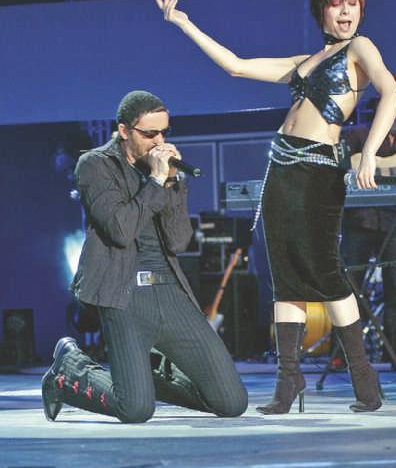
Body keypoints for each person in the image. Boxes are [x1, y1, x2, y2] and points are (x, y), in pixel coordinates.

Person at [154, 0, 396, 414]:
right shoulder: (306, 60)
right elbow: (236, 65)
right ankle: (289, 379)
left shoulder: (360, 48)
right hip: (281, 169)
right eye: (338, 3)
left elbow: (392, 95)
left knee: (325, 272)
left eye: (353, 3)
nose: (346, 11)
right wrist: (183, 24)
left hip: (318, 169)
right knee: (286, 276)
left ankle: (364, 377)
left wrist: (368, 152)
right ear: (321, 10)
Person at [41, 90, 248, 424]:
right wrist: (155, 180)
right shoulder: (95, 165)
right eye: (150, 133)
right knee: (135, 409)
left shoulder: (166, 173)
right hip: (123, 293)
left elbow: (178, 241)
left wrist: (173, 184)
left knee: (231, 402)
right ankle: (69, 370)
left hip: (169, 290)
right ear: (124, 131)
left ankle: (147, 370)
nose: (159, 141)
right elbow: (120, 230)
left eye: (164, 132)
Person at [342, 75, 396, 368]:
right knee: (350, 288)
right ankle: (344, 352)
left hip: (393, 220)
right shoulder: (357, 134)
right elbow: (343, 166)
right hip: (359, 220)